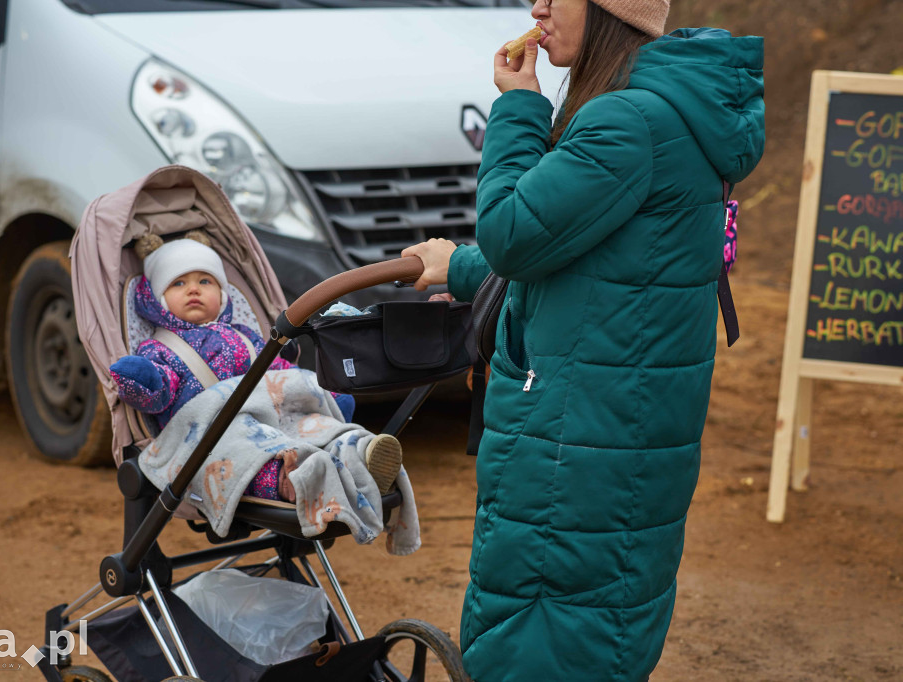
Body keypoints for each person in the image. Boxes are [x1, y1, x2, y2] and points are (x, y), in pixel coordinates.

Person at [403, 1, 764, 679]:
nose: (535, 6)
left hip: (573, 454)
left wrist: (518, 109)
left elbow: (512, 233)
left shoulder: (624, 121)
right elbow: (602, 263)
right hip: (622, 439)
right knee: (599, 640)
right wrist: (457, 267)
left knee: (540, 648)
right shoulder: (674, 114)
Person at [109, 231, 402, 502]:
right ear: (157, 298)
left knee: (315, 427)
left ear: (223, 294)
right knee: (243, 452)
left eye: (205, 281)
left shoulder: (244, 335)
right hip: (212, 430)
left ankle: (360, 455)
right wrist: (144, 380)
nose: (193, 290)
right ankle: (284, 483)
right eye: (179, 283)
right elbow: (159, 393)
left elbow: (275, 370)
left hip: (268, 416)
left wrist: (317, 393)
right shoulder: (160, 348)